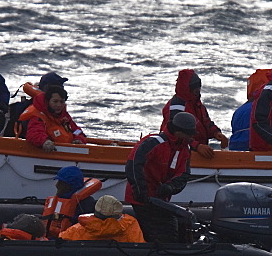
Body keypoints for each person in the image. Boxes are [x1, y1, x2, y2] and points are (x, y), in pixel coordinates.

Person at [125, 112, 195, 242]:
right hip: (141, 196)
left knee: (169, 227)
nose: (192, 137)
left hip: (160, 199)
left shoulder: (184, 148)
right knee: (163, 231)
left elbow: (183, 174)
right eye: (190, 133)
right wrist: (140, 190)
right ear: (179, 132)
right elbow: (133, 164)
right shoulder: (153, 142)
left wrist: (170, 187)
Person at [161, 69, 230, 159]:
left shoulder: (197, 104)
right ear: (188, 88)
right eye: (195, 88)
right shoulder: (176, 106)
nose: (198, 90)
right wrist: (196, 146)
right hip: (177, 153)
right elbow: (175, 133)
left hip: (195, 152)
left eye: (199, 88)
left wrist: (216, 133)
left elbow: (206, 122)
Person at [18, 84, 88, 152]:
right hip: (48, 155)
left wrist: (79, 139)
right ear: (47, 101)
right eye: (55, 101)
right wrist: (45, 142)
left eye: (62, 102)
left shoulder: (65, 117)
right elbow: (34, 133)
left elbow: (77, 131)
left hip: (67, 154)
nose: (59, 105)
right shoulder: (38, 116)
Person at [42, 166, 102, 239]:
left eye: (61, 183)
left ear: (71, 185)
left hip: (69, 242)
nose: (57, 186)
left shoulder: (85, 205)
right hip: (52, 239)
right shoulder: (59, 201)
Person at [4, 71, 68, 137]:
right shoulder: (32, 111)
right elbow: (34, 133)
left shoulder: (60, 112)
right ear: (46, 89)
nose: (58, 104)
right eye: (56, 89)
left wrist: (77, 138)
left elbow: (74, 129)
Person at [58, 195, 145, 243]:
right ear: (119, 214)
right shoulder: (130, 225)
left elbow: (59, 242)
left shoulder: (77, 230)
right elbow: (140, 249)